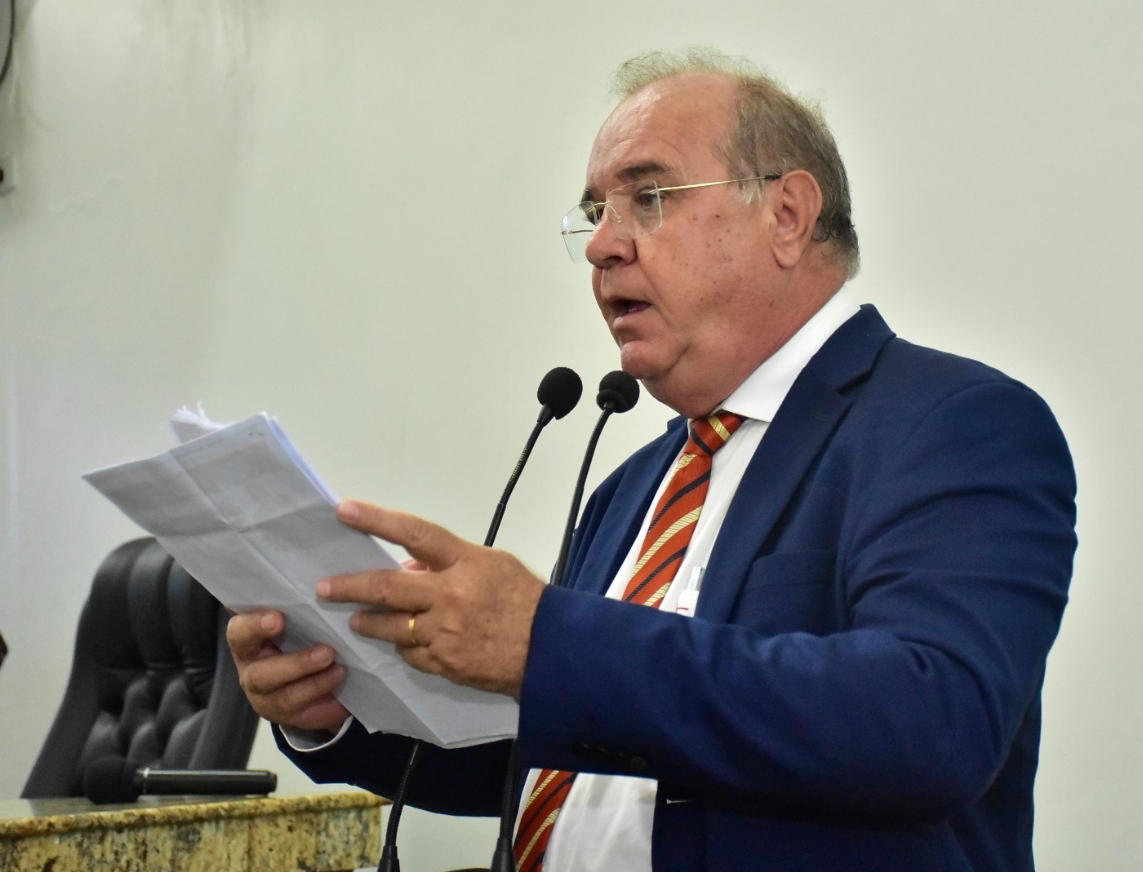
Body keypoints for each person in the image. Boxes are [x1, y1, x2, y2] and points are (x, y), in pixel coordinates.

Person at [228, 49, 1077, 872]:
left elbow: (929, 721)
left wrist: (545, 640)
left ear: (786, 215)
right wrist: (336, 712)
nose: (604, 245)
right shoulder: (635, 486)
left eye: (650, 197)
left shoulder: (952, 423)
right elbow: (561, 767)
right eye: (595, 214)